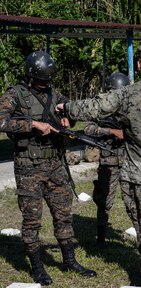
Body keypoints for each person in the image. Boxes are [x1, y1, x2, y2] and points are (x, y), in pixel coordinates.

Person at [56, 46, 141, 287]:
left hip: (134, 175)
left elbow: (94, 107)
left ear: (139, 66)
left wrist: (66, 107)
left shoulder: (126, 94)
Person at [0, 51, 97, 285]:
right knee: (32, 220)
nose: (46, 84)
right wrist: (33, 124)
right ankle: (37, 267)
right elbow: (2, 121)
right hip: (29, 167)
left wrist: (68, 120)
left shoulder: (55, 94)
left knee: (63, 216)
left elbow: (69, 113)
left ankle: (69, 260)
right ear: (31, 76)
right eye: (42, 80)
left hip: (56, 165)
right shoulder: (15, 94)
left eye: (48, 80)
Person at [83, 72, 129, 246]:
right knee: (104, 200)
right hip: (108, 160)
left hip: (129, 161)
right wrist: (110, 131)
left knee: (133, 200)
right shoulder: (100, 108)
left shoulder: (131, 108)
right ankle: (101, 236)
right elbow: (88, 129)